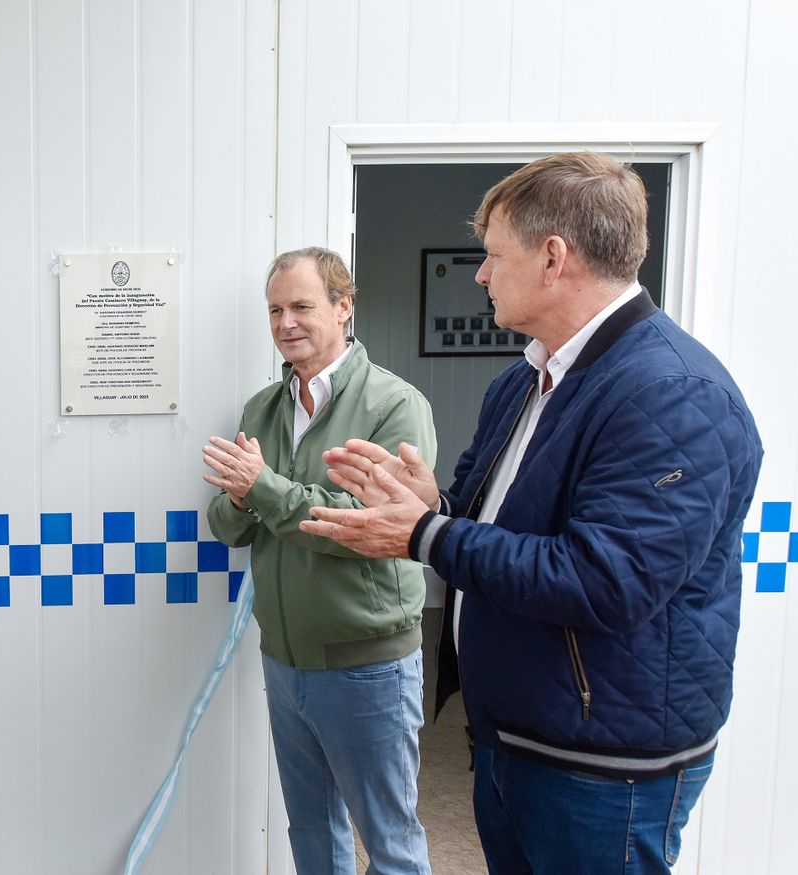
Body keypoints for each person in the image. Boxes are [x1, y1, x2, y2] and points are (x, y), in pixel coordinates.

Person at [301, 152, 763, 874]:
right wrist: (434, 503)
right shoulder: (528, 378)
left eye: (491, 256)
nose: (481, 275)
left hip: (604, 765)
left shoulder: (672, 393)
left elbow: (607, 580)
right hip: (516, 736)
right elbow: (503, 528)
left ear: (554, 257)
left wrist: (425, 533)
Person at [202, 247, 436, 874]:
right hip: (284, 661)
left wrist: (261, 489)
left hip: (369, 668)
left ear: (343, 307)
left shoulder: (394, 405)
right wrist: (243, 499)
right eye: (275, 310)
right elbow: (227, 526)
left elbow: (359, 528)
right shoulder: (262, 409)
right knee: (311, 832)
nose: (286, 323)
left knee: (389, 842)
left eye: (302, 306)